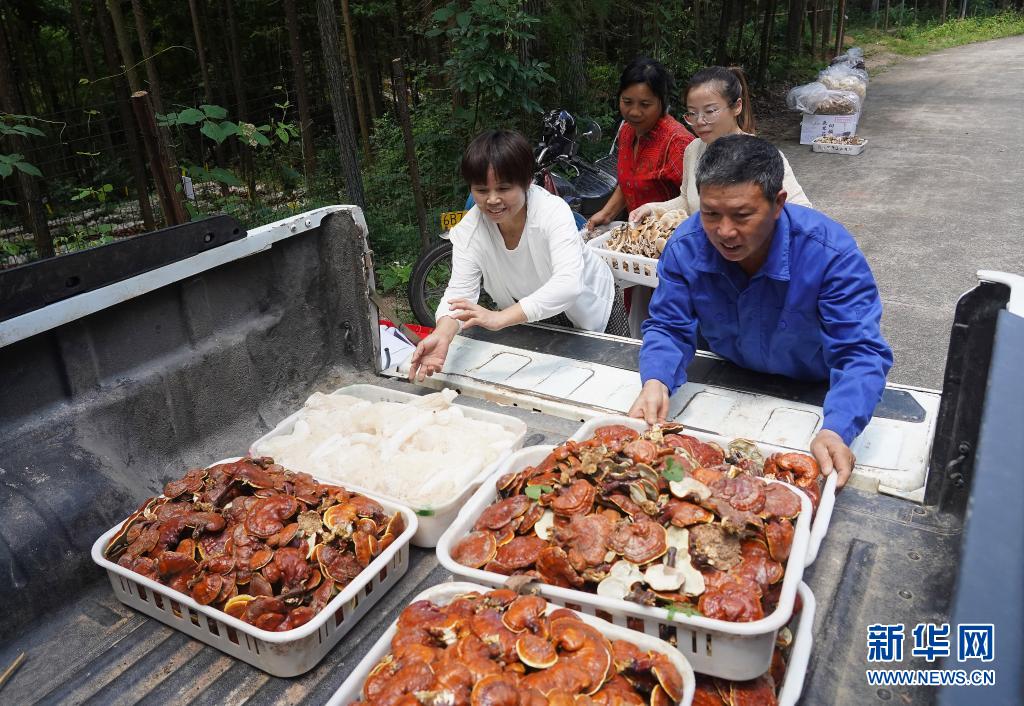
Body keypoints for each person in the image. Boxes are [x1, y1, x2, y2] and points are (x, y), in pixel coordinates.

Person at [629, 135, 893, 487]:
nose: (725, 232)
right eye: (710, 213)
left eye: (742, 215)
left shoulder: (830, 254)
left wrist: (838, 428)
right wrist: (657, 379)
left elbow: (859, 353)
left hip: (817, 396)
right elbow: (669, 326)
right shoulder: (687, 245)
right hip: (728, 384)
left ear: (778, 202)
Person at [409, 129, 626, 383]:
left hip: (594, 308)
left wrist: (499, 318)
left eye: (503, 188)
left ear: (527, 182)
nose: (492, 200)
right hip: (528, 314)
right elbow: (460, 293)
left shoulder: (552, 212)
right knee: (549, 384)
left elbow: (569, 284)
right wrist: (443, 334)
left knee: (606, 384)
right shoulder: (472, 230)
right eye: (481, 190)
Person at [629, 66, 811, 222]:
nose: (699, 121)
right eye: (692, 113)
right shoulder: (694, 150)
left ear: (737, 106)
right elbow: (687, 200)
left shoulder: (762, 156)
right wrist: (653, 209)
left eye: (710, 111)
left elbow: (802, 212)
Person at [584, 57, 695, 231]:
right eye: (627, 102)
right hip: (635, 237)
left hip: (671, 241)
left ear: (662, 102)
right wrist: (607, 213)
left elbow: (695, 201)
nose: (634, 112)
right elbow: (630, 182)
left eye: (645, 104)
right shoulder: (627, 132)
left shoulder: (678, 143)